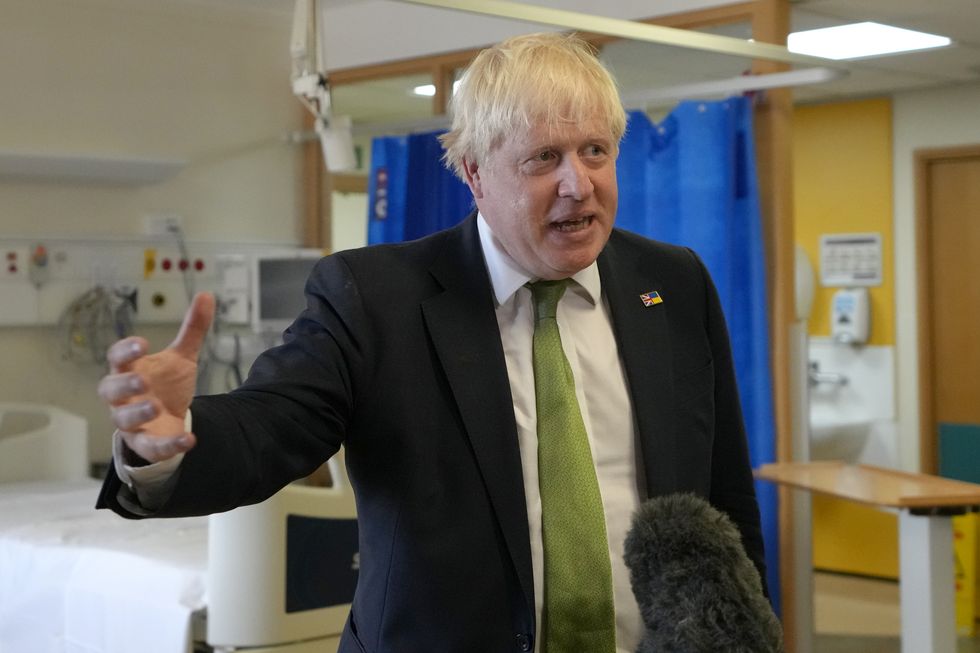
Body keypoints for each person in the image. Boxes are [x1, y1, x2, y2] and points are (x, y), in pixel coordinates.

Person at [96, 32, 766, 653]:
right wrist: (171, 436)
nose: (578, 182)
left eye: (595, 150)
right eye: (544, 157)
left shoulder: (672, 283)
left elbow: (723, 494)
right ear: (474, 174)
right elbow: (273, 424)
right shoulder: (377, 297)